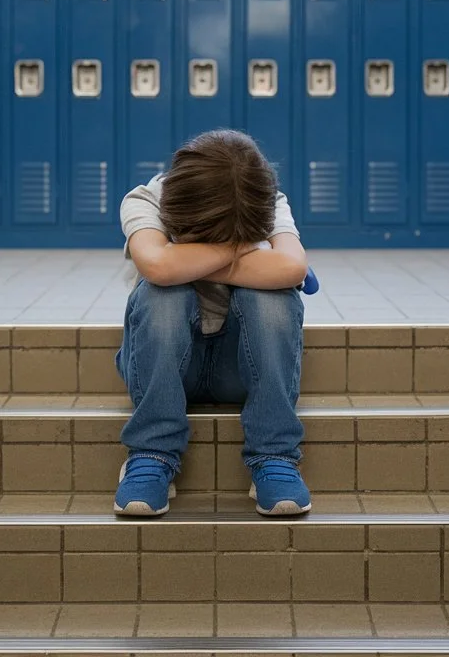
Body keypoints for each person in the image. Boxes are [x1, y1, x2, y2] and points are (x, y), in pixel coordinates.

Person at [114, 129, 311, 517]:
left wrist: (187, 259)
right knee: (162, 293)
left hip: (238, 367)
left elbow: (292, 267)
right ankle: (152, 453)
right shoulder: (147, 199)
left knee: (271, 297)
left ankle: (275, 457)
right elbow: (157, 266)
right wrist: (244, 248)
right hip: (167, 368)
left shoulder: (268, 202)